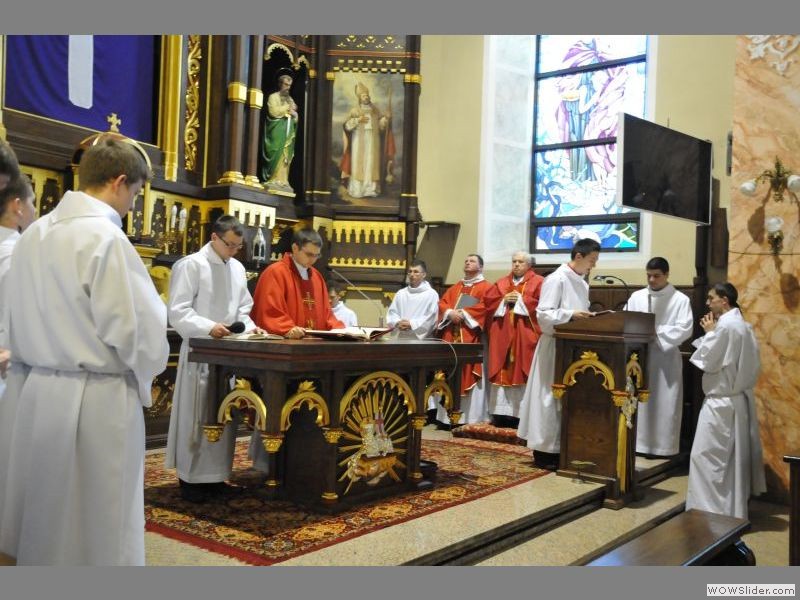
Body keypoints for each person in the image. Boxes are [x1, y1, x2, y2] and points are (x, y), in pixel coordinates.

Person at [0, 135, 168, 565]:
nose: (132, 205)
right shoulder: (106, 239)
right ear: (118, 182)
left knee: (44, 511)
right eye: (135, 193)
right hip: (97, 398)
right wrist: (148, 369)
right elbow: (139, 333)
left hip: (35, 390)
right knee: (96, 522)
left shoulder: (33, 234)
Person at [164, 215, 270, 503]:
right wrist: (209, 327)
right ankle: (190, 480)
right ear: (214, 237)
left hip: (227, 355)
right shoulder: (191, 265)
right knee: (198, 415)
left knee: (224, 417)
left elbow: (243, 311)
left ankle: (216, 477)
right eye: (229, 244)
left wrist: (251, 328)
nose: (234, 251)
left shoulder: (237, 268)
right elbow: (179, 310)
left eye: (238, 246)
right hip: (200, 352)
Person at [518, 237, 600, 471]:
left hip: (573, 347)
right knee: (548, 398)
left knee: (565, 400)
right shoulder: (557, 279)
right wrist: (571, 314)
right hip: (554, 345)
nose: (594, 265)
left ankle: (564, 447)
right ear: (578, 256)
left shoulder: (582, 282)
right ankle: (545, 452)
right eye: (592, 260)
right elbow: (543, 315)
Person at [685, 283, 766, 519]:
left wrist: (710, 332)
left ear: (724, 300)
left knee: (706, 457)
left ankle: (708, 512)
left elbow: (710, 362)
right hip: (735, 401)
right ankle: (729, 510)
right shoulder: (743, 325)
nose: (707, 303)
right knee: (729, 462)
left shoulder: (726, 327)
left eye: (711, 298)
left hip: (721, 403)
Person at [626, 257, 693, 457]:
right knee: (640, 402)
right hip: (639, 357)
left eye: (656, 276)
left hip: (665, 359)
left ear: (667, 275)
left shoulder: (680, 299)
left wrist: (655, 332)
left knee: (664, 402)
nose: (651, 280)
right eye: (649, 275)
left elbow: (685, 328)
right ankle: (638, 445)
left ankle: (663, 447)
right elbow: (625, 320)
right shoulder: (637, 296)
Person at [482, 251, 544, 428]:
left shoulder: (539, 282)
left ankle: (520, 416)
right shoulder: (501, 283)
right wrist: (503, 300)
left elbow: (544, 306)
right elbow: (488, 304)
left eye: (521, 262)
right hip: (502, 334)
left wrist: (522, 300)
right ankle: (500, 415)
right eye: (514, 261)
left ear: (529, 265)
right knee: (502, 369)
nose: (516, 264)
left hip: (524, 335)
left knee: (523, 370)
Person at [251, 227, 344, 337]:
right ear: (295, 248)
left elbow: (326, 314)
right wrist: (287, 328)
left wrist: (339, 329)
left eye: (317, 255)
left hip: (314, 343)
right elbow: (269, 311)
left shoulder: (317, 277)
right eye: (309, 254)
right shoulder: (275, 272)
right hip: (285, 344)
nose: (313, 260)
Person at [433, 253, 491, 426]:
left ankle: (470, 418)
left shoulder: (487, 287)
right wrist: (450, 313)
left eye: (472, 261)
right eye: (466, 260)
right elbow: (442, 303)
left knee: (469, 372)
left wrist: (464, 314)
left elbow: (486, 307)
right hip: (451, 337)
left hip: (471, 337)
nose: (467, 263)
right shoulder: (455, 287)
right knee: (449, 374)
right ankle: (447, 418)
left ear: (481, 267)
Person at [0, 177, 36, 399]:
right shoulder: (16, 254)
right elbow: (11, 319)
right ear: (17, 206)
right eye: (32, 201)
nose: (35, 209)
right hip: (9, 369)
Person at [339, 81, 396, 198]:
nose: (366, 97)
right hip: (358, 140)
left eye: (367, 95)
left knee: (371, 163)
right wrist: (357, 120)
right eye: (363, 96)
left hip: (373, 140)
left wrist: (386, 118)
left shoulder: (375, 110)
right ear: (360, 98)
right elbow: (347, 126)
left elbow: (381, 126)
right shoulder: (355, 110)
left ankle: (371, 189)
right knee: (358, 164)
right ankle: (358, 190)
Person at [261, 73, 298, 191]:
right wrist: (287, 108)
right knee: (276, 152)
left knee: (285, 155)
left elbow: (294, 115)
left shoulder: (290, 99)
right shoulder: (273, 97)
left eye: (289, 85)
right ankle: (273, 178)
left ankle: (283, 180)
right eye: (286, 84)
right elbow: (273, 112)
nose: (288, 87)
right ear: (280, 84)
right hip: (276, 132)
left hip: (287, 134)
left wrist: (295, 115)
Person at [386, 259, 439, 340]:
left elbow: (431, 317)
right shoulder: (401, 293)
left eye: (416, 272)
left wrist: (412, 324)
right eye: (410, 271)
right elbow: (392, 312)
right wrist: (397, 323)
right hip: (401, 338)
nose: (412, 274)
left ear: (424, 274)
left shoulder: (431, 294)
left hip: (422, 341)